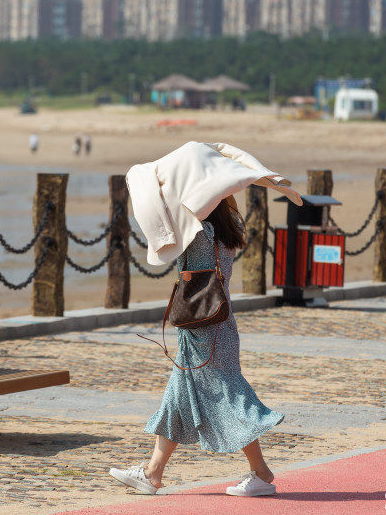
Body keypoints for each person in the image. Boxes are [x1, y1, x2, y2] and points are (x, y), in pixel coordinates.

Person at [109, 198, 283, 497]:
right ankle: (153, 473)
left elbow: (159, 251)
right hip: (216, 321)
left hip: (203, 326)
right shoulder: (230, 226)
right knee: (178, 397)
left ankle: (262, 473)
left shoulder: (195, 229)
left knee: (228, 394)